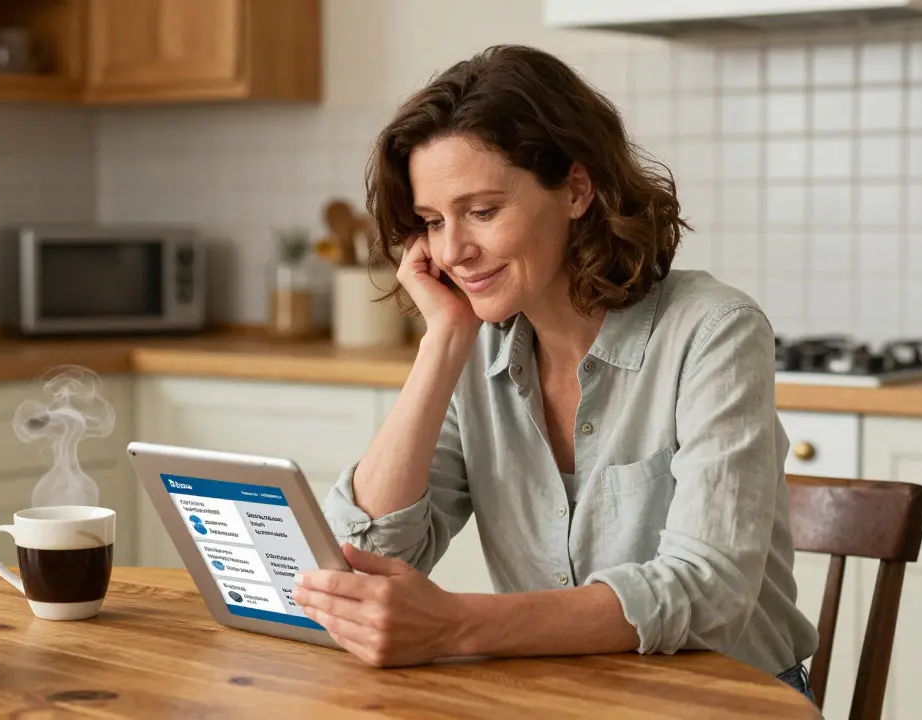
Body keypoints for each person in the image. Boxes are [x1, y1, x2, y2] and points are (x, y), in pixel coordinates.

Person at [290, 44, 819, 700]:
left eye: (482, 211)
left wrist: (457, 625)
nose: (453, 251)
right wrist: (442, 344)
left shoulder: (713, 330)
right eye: (432, 222)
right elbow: (363, 562)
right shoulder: (476, 348)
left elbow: (708, 592)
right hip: (557, 701)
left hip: (728, 705)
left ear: (575, 189)